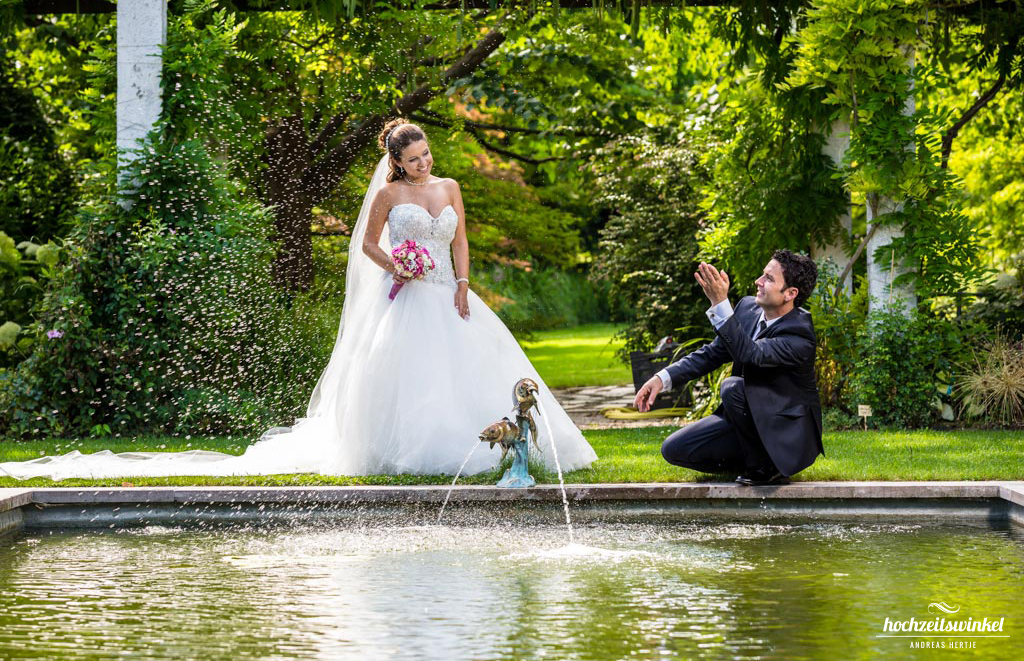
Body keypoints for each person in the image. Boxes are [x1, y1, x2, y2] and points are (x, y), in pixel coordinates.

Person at [0, 120, 596, 481]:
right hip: (410, 298)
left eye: (427, 155)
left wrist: (463, 283)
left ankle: (508, 448)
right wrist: (401, 266)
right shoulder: (388, 196)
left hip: (453, 295)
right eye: (414, 159)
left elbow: (461, 238)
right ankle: (421, 452)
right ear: (396, 162)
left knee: (479, 366)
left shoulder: (450, 187)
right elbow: (366, 246)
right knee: (416, 377)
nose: (424, 163)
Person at [634, 250, 823, 486]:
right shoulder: (746, 308)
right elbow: (713, 353)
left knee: (733, 386)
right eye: (762, 275)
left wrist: (720, 304)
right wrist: (661, 378)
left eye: (769, 279)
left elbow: (751, 354)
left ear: (790, 294)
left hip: (786, 434)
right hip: (748, 422)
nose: (758, 282)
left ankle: (768, 466)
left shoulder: (799, 333)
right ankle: (752, 461)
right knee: (674, 449)